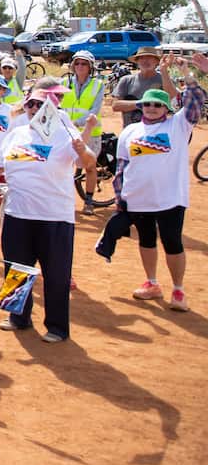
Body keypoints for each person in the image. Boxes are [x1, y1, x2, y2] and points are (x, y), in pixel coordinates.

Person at [0, 89, 97, 342]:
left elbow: (88, 163)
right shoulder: (16, 134)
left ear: (50, 107)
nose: (34, 108)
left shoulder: (65, 132)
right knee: (16, 267)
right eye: (31, 104)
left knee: (56, 274)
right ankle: (18, 317)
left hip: (55, 217)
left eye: (40, 104)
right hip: (18, 213)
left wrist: (82, 149)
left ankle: (57, 327)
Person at [112, 53, 207, 311]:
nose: (152, 108)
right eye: (148, 104)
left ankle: (178, 290)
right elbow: (122, 168)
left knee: (172, 242)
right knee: (146, 240)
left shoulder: (179, 125)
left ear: (167, 108)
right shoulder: (130, 132)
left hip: (170, 198)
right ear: (142, 107)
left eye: (157, 105)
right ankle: (152, 283)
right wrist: (121, 200)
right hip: (139, 198)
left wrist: (187, 74)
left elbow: (196, 101)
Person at [60, 51, 106, 215]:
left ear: (90, 67)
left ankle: (89, 201)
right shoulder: (64, 82)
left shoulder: (98, 85)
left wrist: (77, 123)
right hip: (66, 132)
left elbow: (95, 109)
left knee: (90, 166)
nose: (80, 66)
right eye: (77, 63)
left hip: (90, 131)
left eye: (84, 63)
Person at [112, 47, 165, 127]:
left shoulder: (164, 80)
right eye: (141, 58)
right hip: (131, 131)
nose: (145, 61)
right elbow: (115, 106)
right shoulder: (126, 80)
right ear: (137, 62)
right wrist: (142, 104)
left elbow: (174, 100)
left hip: (156, 131)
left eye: (149, 58)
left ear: (157, 61)